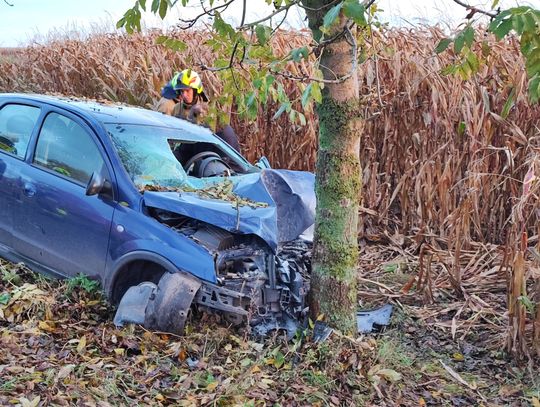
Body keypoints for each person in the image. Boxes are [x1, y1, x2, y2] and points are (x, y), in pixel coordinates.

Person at [156, 69, 241, 152]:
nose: (184, 94)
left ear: (196, 90)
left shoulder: (207, 110)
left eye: (187, 90)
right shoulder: (177, 108)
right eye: (181, 91)